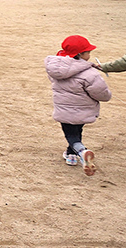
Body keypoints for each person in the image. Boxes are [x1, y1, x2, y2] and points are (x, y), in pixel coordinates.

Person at [45, 35, 111, 176]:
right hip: (83, 111)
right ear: (80, 54)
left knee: (71, 134)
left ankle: (75, 153)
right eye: (88, 52)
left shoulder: (56, 69)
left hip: (64, 110)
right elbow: (101, 93)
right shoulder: (90, 73)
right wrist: (108, 96)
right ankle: (79, 152)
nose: (89, 55)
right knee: (75, 133)